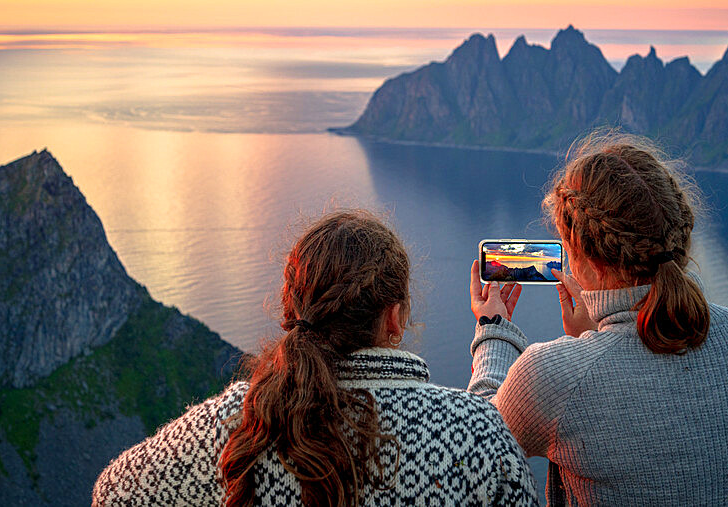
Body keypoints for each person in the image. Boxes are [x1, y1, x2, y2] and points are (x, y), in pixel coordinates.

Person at [94, 209, 539, 507]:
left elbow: (112, 491)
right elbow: (486, 431)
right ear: (393, 320)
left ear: (292, 309)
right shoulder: (471, 434)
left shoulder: (238, 422)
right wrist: (492, 331)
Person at [467, 132, 728, 506]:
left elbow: (473, 451)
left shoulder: (553, 376)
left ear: (586, 260)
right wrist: (592, 338)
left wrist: (493, 332)